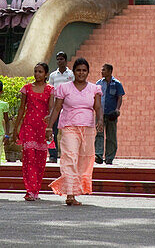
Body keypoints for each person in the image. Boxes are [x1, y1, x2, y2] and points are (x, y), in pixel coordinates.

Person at [48, 57, 103, 206]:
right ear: (73, 72)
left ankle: (76, 190)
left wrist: (100, 120)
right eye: (78, 70)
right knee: (69, 157)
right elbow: (57, 108)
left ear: (88, 72)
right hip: (69, 127)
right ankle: (70, 194)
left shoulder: (94, 88)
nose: (81, 73)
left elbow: (98, 107)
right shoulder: (64, 87)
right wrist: (49, 126)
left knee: (84, 160)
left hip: (88, 128)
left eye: (84, 70)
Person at [12, 62, 54, 201]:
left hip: (42, 128)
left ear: (46, 74)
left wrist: (50, 128)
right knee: (29, 158)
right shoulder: (27, 88)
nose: (37, 74)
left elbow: (51, 110)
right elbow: (21, 109)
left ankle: (36, 190)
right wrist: (16, 128)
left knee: (40, 160)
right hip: (29, 126)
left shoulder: (50, 90)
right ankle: (30, 190)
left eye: (40, 72)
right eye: (35, 71)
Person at [95, 63, 125, 165]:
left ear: (110, 71)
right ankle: (98, 155)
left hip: (111, 113)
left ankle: (109, 157)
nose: (102, 72)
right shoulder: (98, 83)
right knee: (99, 134)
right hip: (100, 113)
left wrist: (117, 109)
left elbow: (120, 97)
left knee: (111, 136)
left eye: (104, 70)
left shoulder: (117, 84)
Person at [49, 50, 74, 156]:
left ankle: (67, 153)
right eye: (58, 59)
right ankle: (53, 154)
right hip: (55, 106)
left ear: (66, 60)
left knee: (67, 130)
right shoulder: (53, 75)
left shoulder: (71, 74)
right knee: (53, 130)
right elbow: (50, 91)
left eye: (62, 59)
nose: (60, 61)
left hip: (68, 106)